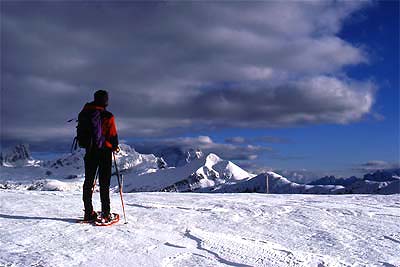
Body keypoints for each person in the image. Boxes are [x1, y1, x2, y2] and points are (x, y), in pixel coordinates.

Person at [79, 90, 119, 223]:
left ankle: (88, 213)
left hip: (90, 151)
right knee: (104, 183)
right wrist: (114, 146)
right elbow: (113, 135)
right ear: (106, 101)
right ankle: (106, 214)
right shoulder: (108, 116)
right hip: (104, 152)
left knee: (88, 183)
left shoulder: (85, 113)